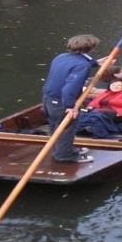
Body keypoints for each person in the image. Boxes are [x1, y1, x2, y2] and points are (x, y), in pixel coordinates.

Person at [41, 33, 100, 163]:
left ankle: (61, 150)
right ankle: (65, 156)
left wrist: (95, 63)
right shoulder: (82, 65)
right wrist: (70, 106)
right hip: (61, 101)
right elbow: (70, 87)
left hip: (48, 98)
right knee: (67, 128)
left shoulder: (60, 57)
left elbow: (79, 62)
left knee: (55, 126)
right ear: (91, 48)